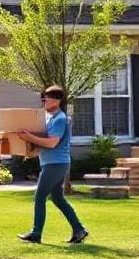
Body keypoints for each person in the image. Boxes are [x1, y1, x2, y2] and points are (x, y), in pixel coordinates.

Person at [15, 85, 88, 244]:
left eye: (48, 98)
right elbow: (47, 144)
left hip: (55, 164)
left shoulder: (60, 119)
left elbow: (52, 143)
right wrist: (32, 152)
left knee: (39, 196)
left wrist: (28, 137)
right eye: (44, 97)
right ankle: (79, 230)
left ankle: (36, 233)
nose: (45, 100)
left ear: (58, 100)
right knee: (57, 198)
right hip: (54, 163)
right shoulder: (52, 119)